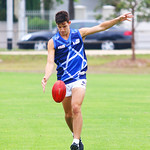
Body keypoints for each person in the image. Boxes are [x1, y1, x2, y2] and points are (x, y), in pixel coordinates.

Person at [41, 11, 133, 150]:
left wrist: (118, 19)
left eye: (64, 26)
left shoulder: (79, 34)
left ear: (69, 23)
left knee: (76, 107)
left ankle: (76, 143)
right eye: (59, 27)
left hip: (79, 77)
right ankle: (76, 135)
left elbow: (101, 27)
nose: (62, 29)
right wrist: (46, 76)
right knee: (67, 115)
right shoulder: (52, 42)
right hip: (63, 82)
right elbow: (49, 62)